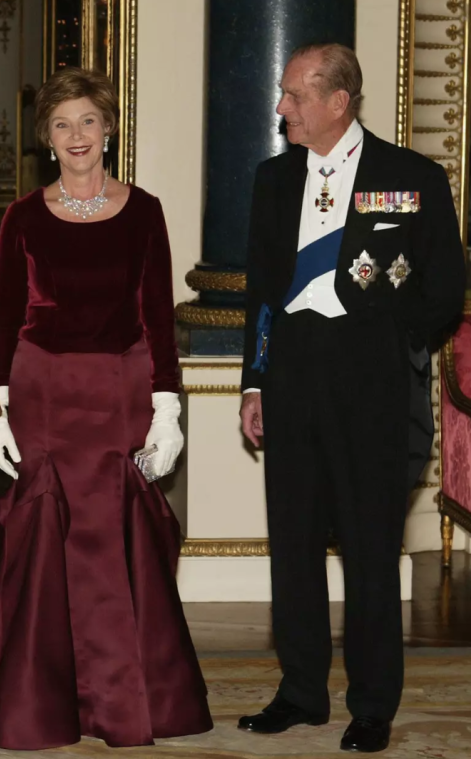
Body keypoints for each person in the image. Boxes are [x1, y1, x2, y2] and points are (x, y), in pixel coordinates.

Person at [0, 67, 212, 750]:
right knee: (43, 544)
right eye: (62, 124)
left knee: (110, 546)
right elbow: (1, 321)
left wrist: (168, 411)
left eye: (88, 122)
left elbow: (157, 314)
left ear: (109, 131)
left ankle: (124, 699)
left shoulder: (146, 210)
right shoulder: (23, 217)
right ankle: (41, 699)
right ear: (47, 137)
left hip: (120, 396)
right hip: (42, 400)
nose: (76, 136)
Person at [239, 44, 465, 753]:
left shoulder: (412, 176)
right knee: (294, 546)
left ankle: (372, 703)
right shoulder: (273, 180)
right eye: (284, 95)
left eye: (295, 96)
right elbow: (261, 294)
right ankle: (302, 690)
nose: (282, 109)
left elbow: (445, 286)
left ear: (338, 101)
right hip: (293, 379)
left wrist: (396, 347)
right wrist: (255, 379)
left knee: (371, 551)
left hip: (372, 387)